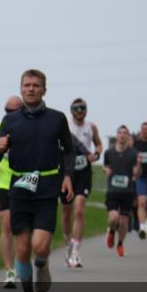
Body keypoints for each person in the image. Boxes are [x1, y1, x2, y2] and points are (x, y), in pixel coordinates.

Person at [0, 69, 74, 292]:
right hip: (19, 189)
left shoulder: (57, 119)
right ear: (21, 88)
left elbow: (69, 150)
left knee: (40, 244)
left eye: (36, 85)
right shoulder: (10, 120)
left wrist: (67, 176)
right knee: (23, 248)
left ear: (44, 90)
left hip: (47, 187)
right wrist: (0, 149)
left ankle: (42, 263)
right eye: (27, 85)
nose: (31, 89)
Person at [0, 95, 24, 288]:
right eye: (7, 111)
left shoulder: (29, 128)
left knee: (22, 228)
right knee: (6, 225)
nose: (10, 114)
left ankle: (22, 264)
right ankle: (9, 271)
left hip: (23, 181)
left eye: (14, 111)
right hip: (2, 182)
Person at [62, 98, 103, 269]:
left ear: (86, 110)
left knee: (79, 210)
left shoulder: (91, 127)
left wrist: (96, 154)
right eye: (76, 108)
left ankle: (75, 251)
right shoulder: (65, 126)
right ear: (71, 110)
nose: (79, 111)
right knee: (66, 212)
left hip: (84, 172)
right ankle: (68, 243)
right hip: (66, 172)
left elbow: (98, 144)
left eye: (82, 108)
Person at [103, 125, 140, 257]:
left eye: (125, 133)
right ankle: (112, 232)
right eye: (120, 132)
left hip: (127, 191)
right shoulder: (109, 152)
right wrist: (106, 170)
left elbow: (136, 173)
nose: (122, 135)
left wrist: (139, 164)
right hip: (113, 191)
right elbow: (105, 167)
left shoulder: (133, 153)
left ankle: (120, 244)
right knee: (113, 218)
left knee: (124, 221)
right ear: (117, 135)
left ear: (128, 136)